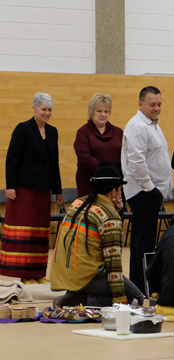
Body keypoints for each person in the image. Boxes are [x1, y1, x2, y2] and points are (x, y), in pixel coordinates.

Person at [50, 166, 144, 307]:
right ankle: (82, 300)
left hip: (67, 273)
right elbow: (114, 264)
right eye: (120, 190)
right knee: (136, 300)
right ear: (114, 191)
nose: (121, 195)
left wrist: (114, 211)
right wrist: (120, 300)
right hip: (89, 277)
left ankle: (76, 294)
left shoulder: (78, 203)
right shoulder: (109, 217)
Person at [0, 92, 63, 285]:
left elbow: (54, 163)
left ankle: (37, 272)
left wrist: (58, 189)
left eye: (49, 110)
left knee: (40, 232)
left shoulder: (53, 131)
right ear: (34, 108)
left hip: (43, 190)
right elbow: (12, 159)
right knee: (25, 232)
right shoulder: (23, 129)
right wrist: (10, 186)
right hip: (24, 189)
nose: (47, 113)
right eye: (43, 109)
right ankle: (24, 274)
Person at [121, 86, 173, 294]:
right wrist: (150, 188)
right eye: (152, 104)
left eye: (159, 104)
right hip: (143, 192)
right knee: (142, 243)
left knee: (146, 242)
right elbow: (136, 160)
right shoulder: (137, 126)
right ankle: (139, 287)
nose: (157, 108)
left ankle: (143, 284)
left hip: (151, 191)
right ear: (140, 104)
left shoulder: (152, 125)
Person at [73, 93, 124, 198]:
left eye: (106, 111)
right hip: (90, 184)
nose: (103, 114)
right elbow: (84, 158)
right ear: (92, 112)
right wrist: (106, 170)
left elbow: (125, 155)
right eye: (99, 111)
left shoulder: (118, 132)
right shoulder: (83, 132)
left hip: (113, 185)